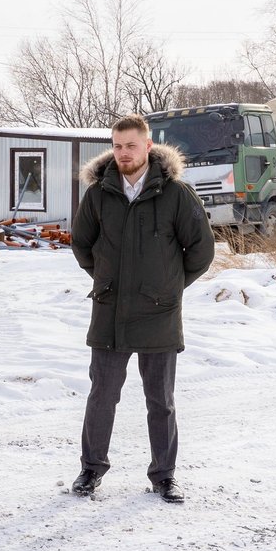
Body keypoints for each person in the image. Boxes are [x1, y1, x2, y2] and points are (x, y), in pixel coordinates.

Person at [69, 115, 213, 504]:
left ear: (148, 146)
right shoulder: (99, 194)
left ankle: (164, 475)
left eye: (130, 146)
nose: (123, 153)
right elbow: (81, 243)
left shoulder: (176, 194)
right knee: (102, 394)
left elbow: (201, 250)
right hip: (110, 310)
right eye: (117, 146)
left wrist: (169, 286)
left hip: (159, 312)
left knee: (160, 400)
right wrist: (103, 279)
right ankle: (91, 469)